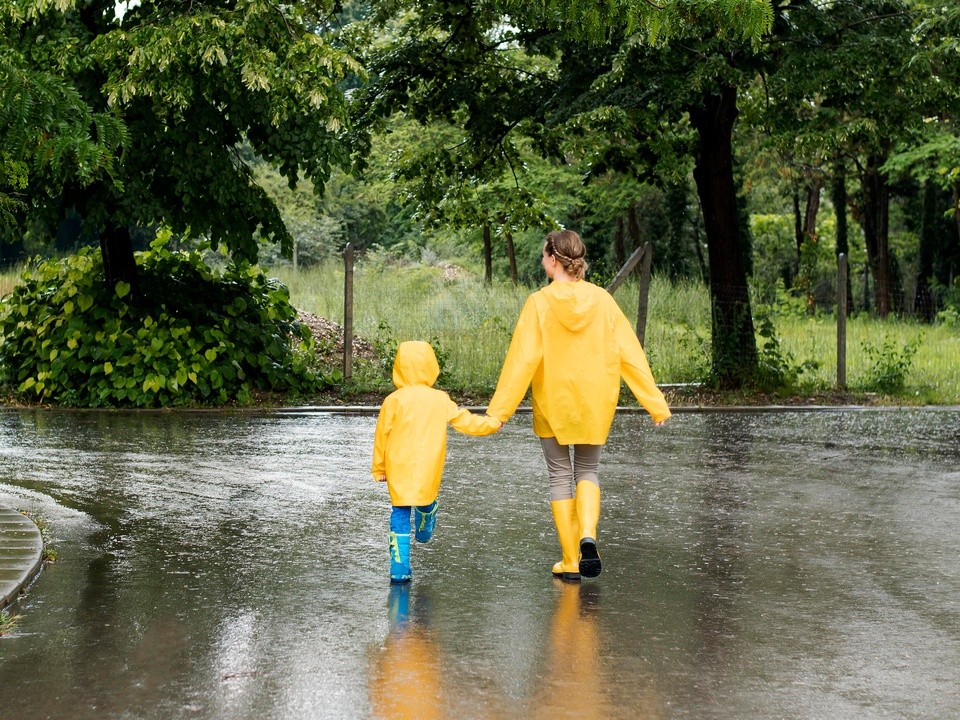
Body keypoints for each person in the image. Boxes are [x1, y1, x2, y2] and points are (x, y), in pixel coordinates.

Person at [486, 229, 671, 582]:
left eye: (543, 256)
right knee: (588, 472)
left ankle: (571, 560)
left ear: (554, 260)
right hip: (594, 401)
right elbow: (630, 354)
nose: (542, 261)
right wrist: (655, 404)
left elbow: (521, 362)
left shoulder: (538, 303)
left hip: (553, 401)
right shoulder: (602, 300)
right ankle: (589, 535)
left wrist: (500, 411)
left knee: (560, 476)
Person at [372, 340, 501, 584]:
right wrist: (491, 424)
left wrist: (379, 467)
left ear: (399, 367)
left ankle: (399, 567)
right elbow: (465, 421)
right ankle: (427, 517)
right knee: (424, 497)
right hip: (428, 465)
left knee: (399, 511)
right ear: (431, 366)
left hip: (398, 465)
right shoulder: (439, 399)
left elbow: (382, 435)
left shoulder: (394, 400)